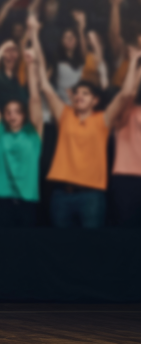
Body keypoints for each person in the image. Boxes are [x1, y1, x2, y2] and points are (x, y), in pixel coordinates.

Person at [39, 46, 133, 229]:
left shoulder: (103, 120)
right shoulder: (65, 115)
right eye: (77, 93)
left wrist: (135, 60)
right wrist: (34, 37)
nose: (80, 96)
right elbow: (44, 86)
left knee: (91, 250)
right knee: (61, 251)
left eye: (85, 93)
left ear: (95, 101)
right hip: (61, 195)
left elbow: (126, 94)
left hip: (91, 197)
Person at [0, 35, 45, 228]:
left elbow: (34, 98)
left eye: (17, 112)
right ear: (4, 116)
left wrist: (31, 67)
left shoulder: (34, 134)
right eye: (8, 112)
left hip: (27, 201)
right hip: (2, 200)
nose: (12, 115)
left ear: (24, 115)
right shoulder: (0, 134)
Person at [108, 45, 141, 227]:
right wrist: (136, 62)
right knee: (125, 234)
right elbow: (128, 92)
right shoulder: (125, 111)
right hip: (126, 177)